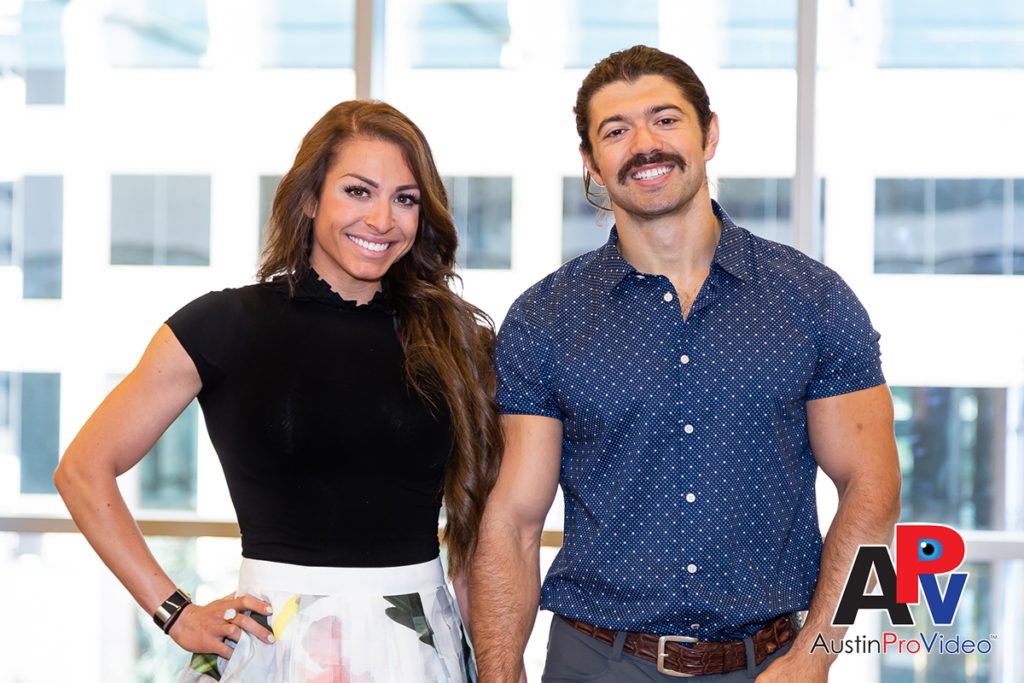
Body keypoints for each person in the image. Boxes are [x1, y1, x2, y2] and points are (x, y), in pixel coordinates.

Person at [469, 45, 901, 682]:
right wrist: (500, 675)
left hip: (773, 664)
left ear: (710, 133)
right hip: (598, 660)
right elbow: (513, 521)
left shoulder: (812, 299)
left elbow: (874, 492)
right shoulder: (545, 319)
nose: (644, 144)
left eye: (665, 120)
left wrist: (815, 656)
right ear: (591, 162)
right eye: (616, 130)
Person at [54, 100, 501, 682]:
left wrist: (498, 663)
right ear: (311, 198)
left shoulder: (458, 342)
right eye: (358, 192)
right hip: (274, 647)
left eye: (405, 198)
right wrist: (174, 612)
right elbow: (83, 469)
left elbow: (480, 531)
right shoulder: (224, 323)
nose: (382, 220)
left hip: (421, 646)